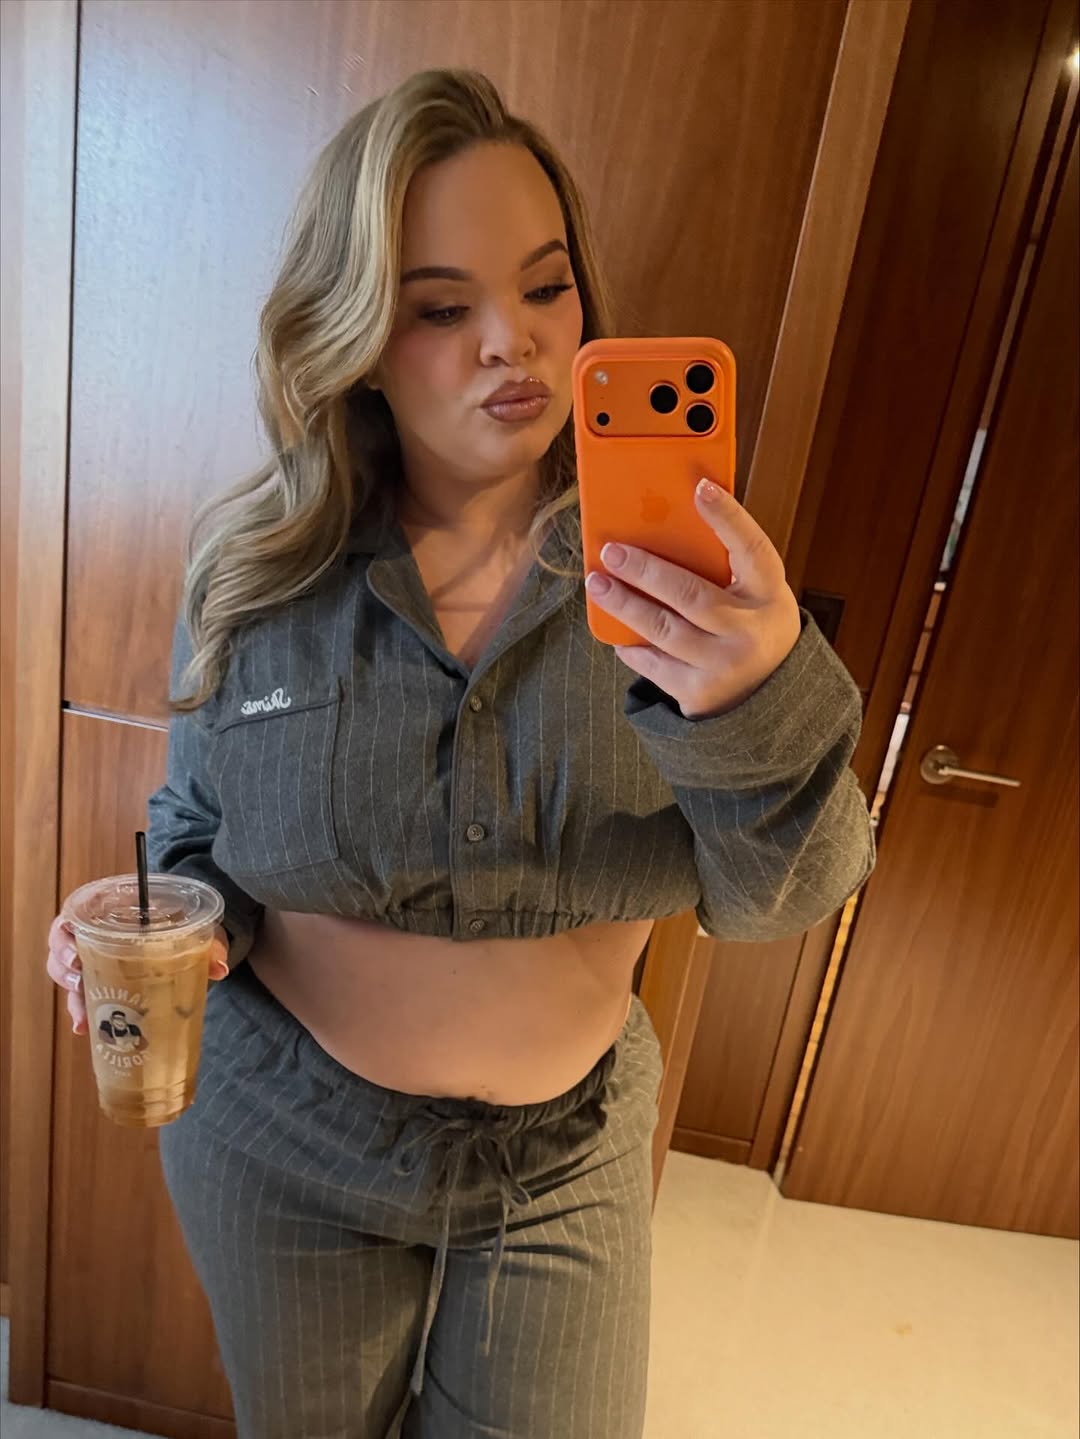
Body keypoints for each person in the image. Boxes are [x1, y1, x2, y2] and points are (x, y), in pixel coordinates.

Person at [46, 68, 874, 1439]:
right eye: (443, 309)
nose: (515, 343)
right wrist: (166, 928)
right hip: (280, 1137)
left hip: (567, 1160)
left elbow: (787, 895)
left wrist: (754, 701)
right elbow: (198, 824)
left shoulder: (692, 580)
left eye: (547, 287)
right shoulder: (256, 568)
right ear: (360, 336)